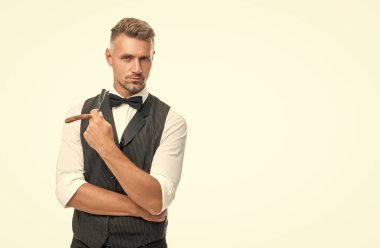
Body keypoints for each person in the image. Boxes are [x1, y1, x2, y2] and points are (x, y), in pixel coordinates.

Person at [55, 17, 187, 248]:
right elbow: (68, 191)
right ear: (109, 57)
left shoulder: (172, 121)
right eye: (127, 58)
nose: (137, 69)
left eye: (144, 58)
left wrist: (106, 147)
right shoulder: (78, 113)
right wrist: (138, 208)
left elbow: (156, 199)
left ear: (152, 58)